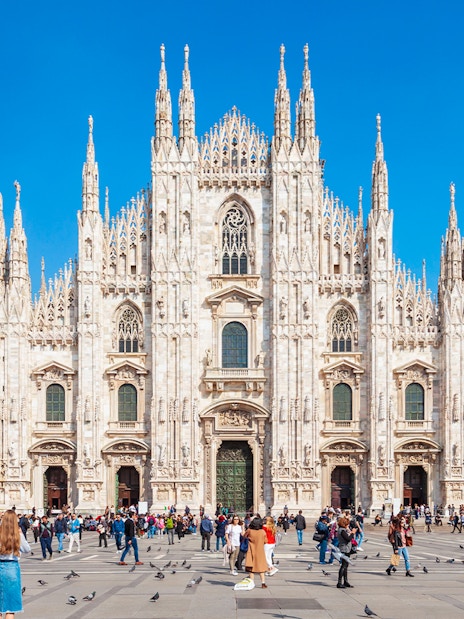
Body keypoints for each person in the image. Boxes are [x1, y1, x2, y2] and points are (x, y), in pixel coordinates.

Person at [0, 509, 31, 618]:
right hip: (11, 568)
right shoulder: (17, 534)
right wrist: (21, 535)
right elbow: (27, 549)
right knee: (10, 608)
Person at [244, 516, 268, 588]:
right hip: (260, 550)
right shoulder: (262, 532)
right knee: (261, 567)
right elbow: (265, 541)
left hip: (251, 550)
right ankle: (263, 582)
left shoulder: (249, 530)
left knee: (251, 568)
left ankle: (252, 582)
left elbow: (244, 536)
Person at [336, 516, 355, 589]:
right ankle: (339, 582)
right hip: (344, 549)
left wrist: (349, 531)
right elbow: (348, 539)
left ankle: (346, 581)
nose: (348, 525)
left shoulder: (342, 530)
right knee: (343, 565)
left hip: (346, 549)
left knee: (346, 565)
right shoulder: (342, 530)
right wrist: (352, 533)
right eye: (347, 524)